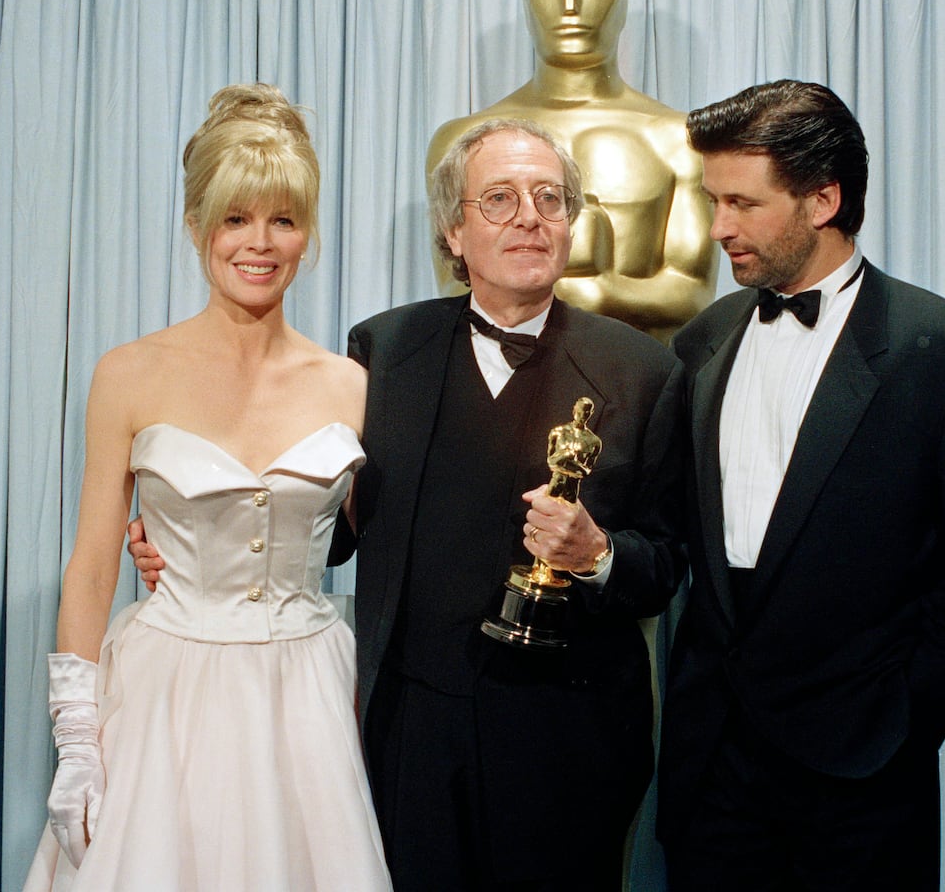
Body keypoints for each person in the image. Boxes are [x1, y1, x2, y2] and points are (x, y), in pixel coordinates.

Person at [137, 118, 687, 890]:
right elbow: (325, 522)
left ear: (571, 222)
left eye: (550, 199)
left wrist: (597, 555)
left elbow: (667, 564)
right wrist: (193, 527)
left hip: (574, 740)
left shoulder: (644, 370)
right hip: (410, 735)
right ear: (453, 231)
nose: (529, 218)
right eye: (499, 199)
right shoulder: (384, 351)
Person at [657, 79, 945, 890]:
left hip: (863, 780)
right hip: (712, 773)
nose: (717, 227)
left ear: (823, 200)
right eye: (712, 201)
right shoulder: (700, 341)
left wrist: (905, 713)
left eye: (742, 203)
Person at [24, 84, 391, 891]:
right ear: (196, 227)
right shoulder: (128, 374)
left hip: (309, 698)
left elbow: (383, 547)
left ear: (308, 233)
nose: (259, 243)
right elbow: (92, 566)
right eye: (234, 218)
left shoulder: (352, 384)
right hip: (166, 694)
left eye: (283, 220)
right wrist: (77, 738)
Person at [427, 0, 714, 341]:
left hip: (640, 375)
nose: (569, 4)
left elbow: (693, 293)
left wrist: (591, 293)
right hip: (504, 374)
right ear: (526, 0)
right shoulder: (462, 141)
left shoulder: (678, 139)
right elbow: (456, 288)